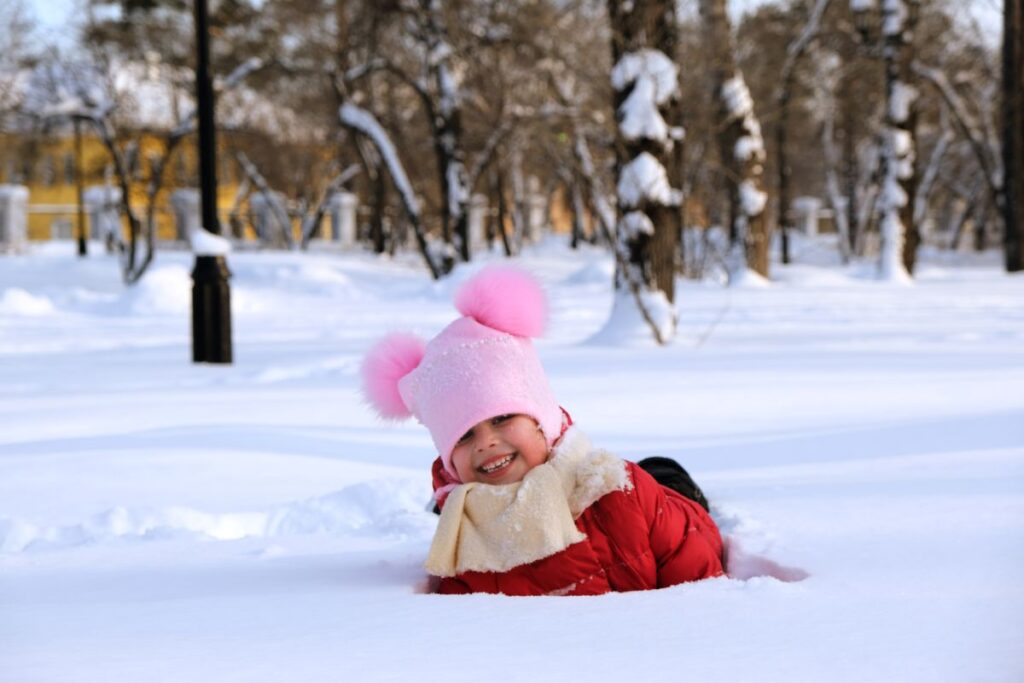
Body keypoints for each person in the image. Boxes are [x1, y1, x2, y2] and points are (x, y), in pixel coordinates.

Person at [361, 265, 724, 596]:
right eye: (464, 435)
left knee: (666, 479)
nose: (486, 441)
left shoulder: (619, 492)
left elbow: (700, 576)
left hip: (668, 504)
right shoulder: (463, 540)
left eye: (502, 418)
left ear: (543, 422)